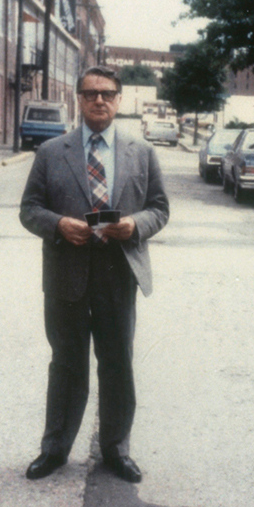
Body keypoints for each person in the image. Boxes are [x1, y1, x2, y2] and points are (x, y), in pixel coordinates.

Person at [19, 65, 170, 482]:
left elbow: (160, 209)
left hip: (118, 274)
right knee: (66, 364)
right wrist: (57, 225)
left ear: (119, 100)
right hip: (66, 276)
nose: (98, 100)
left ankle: (116, 451)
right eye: (90, 94)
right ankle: (55, 450)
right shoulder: (52, 153)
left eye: (106, 94)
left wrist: (136, 225)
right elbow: (29, 210)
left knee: (117, 364)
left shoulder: (142, 152)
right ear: (78, 100)